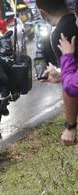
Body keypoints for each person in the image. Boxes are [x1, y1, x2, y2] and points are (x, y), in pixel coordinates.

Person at [37, 0, 78, 145]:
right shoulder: (73, 22)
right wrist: (62, 75)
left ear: (42, 13)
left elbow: (71, 88)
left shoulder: (60, 34)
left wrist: (70, 126)